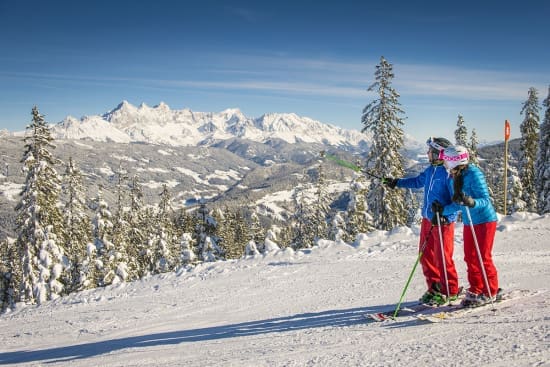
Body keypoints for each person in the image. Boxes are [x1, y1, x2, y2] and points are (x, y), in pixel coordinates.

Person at [383, 137, 460, 305]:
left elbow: (458, 202)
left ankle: (451, 291)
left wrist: (445, 212)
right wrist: (396, 182)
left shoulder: (448, 174)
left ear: (440, 154)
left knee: (443, 258)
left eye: (430, 152)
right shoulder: (430, 170)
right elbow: (417, 181)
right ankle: (435, 289)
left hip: (443, 222)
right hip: (428, 219)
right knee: (425, 256)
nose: (427, 154)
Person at [435, 145, 500, 307]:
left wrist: (472, 202)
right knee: (470, 256)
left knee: (482, 257)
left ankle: (490, 291)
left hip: (485, 220)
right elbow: (457, 204)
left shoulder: (474, 174)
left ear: (456, 160)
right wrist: (442, 210)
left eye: (447, 160)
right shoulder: (453, 178)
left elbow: (485, 200)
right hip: (469, 221)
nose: (445, 164)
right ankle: (477, 288)